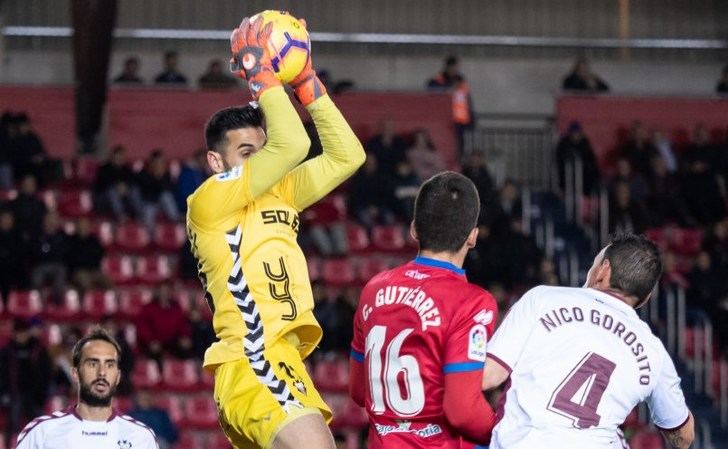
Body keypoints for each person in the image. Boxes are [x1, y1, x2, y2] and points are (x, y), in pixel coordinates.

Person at [186, 15, 365, 449]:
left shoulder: (279, 192)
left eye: (262, 151)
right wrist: (260, 72)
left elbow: (347, 156)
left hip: (283, 359)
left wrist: (306, 81)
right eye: (247, 152)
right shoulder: (208, 202)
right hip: (252, 359)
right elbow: (294, 145)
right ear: (215, 161)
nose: (263, 161)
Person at [482, 234, 694, 449]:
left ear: (603, 270)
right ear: (646, 296)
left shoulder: (543, 299)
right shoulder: (654, 350)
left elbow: (489, 376)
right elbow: (683, 437)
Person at [350, 172, 498, 448]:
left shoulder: (373, 289)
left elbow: (359, 391)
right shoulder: (473, 303)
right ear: (473, 237)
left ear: (414, 229)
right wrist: (504, 431)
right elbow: (462, 411)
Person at [15, 328, 158, 448]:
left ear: (118, 376)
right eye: (93, 363)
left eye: (109, 364)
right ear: (75, 373)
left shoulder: (141, 437)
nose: (102, 372)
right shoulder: (42, 432)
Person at [0, 318, 52, 447]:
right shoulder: (6, 352)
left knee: (41, 424)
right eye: (18, 333)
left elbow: (46, 373)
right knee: (12, 425)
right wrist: (4, 393)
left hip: (35, 395)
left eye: (23, 333)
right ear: (14, 334)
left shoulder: (39, 350)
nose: (21, 336)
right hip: (14, 394)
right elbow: (2, 375)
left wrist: (41, 393)